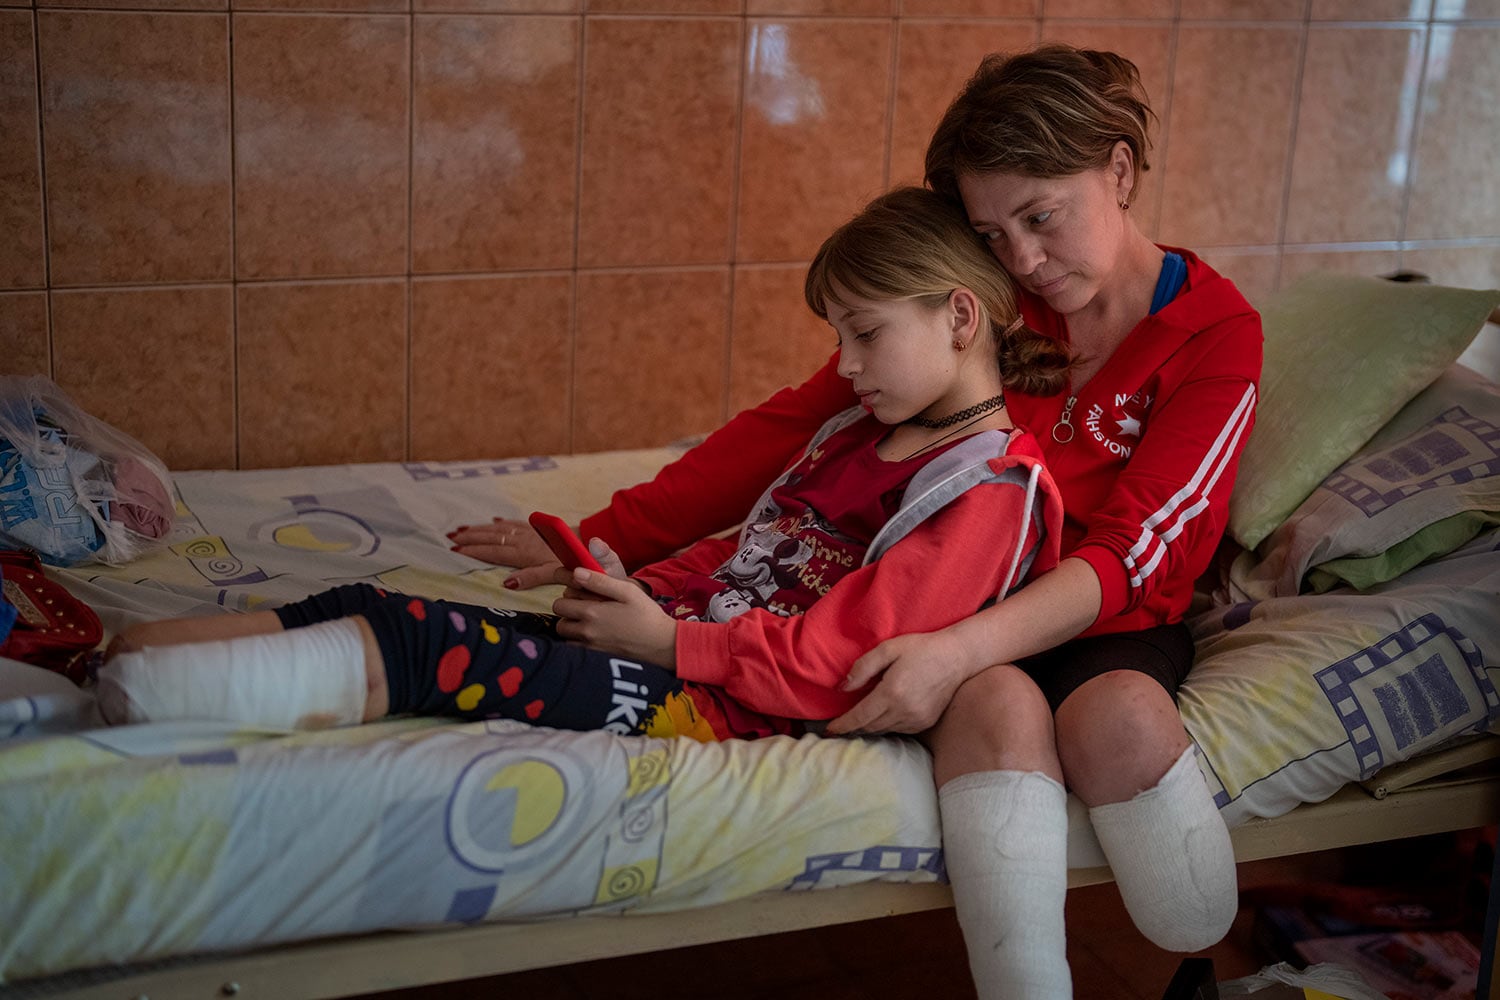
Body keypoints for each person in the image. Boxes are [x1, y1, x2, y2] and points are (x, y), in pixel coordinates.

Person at [453, 44, 1264, 998]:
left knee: (1122, 723)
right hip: (923, 589)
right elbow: (797, 426)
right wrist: (607, 538)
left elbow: (1135, 554)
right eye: (991, 232)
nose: (1023, 260)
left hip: (1092, 618)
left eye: (1042, 218)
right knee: (996, 706)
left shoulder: (1216, 334)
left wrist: (957, 649)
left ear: (1119, 171)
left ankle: (1204, 949)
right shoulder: (994, 303)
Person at [96, 186, 1071, 756]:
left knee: (427, 648)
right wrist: (622, 585)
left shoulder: (988, 493)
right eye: (840, 338)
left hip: (728, 707)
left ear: (959, 316)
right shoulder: (864, 432)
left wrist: (671, 647)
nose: (844, 366)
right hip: (678, 649)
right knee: (379, 601)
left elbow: (842, 660)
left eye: (865, 334)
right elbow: (747, 559)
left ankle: (124, 703)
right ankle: (105, 665)